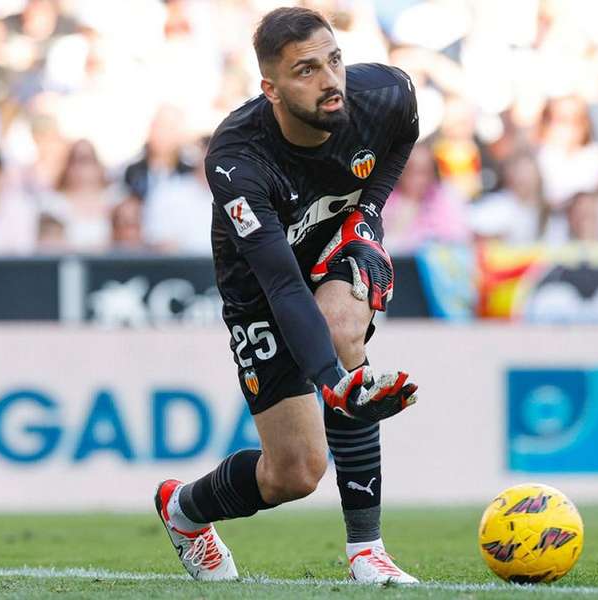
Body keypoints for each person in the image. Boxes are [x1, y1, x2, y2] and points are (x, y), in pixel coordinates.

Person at [153, 7, 420, 584]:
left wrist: (368, 213)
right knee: (295, 474)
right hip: (261, 290)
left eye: (334, 61)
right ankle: (183, 510)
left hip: (333, 249)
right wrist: (331, 382)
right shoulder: (237, 159)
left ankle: (367, 551)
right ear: (269, 88)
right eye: (306, 71)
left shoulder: (385, 94)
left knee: (344, 327)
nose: (329, 81)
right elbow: (279, 283)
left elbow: (403, 138)